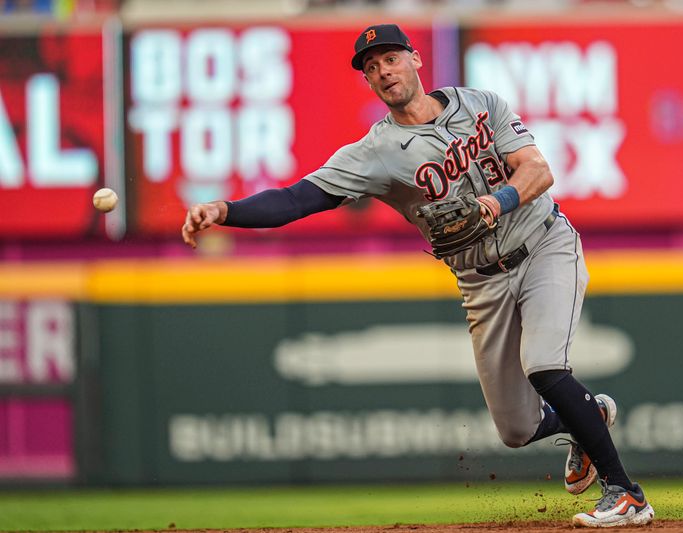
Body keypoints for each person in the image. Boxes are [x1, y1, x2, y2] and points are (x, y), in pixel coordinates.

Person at [181, 23, 654, 528]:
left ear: (415, 60)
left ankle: (626, 494)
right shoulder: (374, 154)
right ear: (368, 81)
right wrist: (224, 209)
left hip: (543, 245)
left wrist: (496, 203)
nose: (383, 71)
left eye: (390, 58)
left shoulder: (481, 104)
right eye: (371, 67)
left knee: (544, 366)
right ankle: (588, 418)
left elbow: (538, 171)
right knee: (516, 429)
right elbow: (297, 199)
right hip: (480, 280)